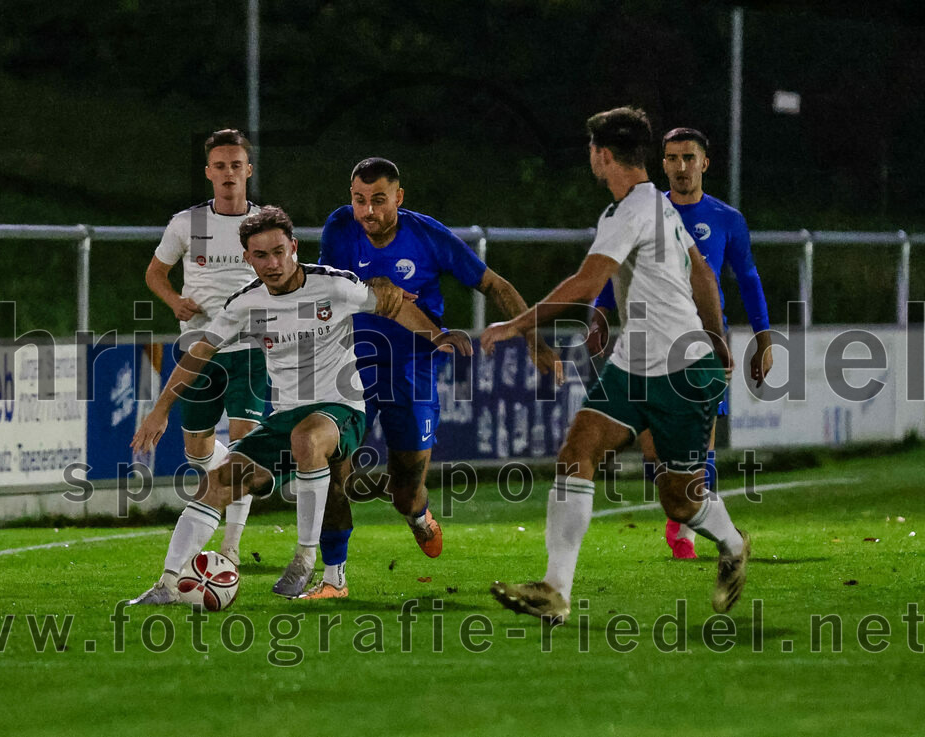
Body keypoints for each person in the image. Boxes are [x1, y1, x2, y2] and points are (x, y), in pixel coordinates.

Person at [484, 107, 750, 624]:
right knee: (576, 451)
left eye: (591, 150)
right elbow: (702, 274)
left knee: (679, 501)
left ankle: (733, 543)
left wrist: (514, 326)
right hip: (634, 365)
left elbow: (587, 285)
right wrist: (718, 335)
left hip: (679, 369)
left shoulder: (631, 211)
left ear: (601, 155)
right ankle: (555, 591)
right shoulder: (656, 205)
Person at [128, 206, 471, 604]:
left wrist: (438, 335)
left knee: (307, 439)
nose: (272, 263)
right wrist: (160, 409)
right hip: (285, 418)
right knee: (217, 483)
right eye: (261, 256)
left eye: (279, 251)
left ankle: (305, 558)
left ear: (294, 246)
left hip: (342, 408)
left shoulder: (333, 286)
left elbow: (391, 302)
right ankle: (168, 584)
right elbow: (199, 352)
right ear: (247, 259)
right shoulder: (244, 304)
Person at [307, 157, 562, 599]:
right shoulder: (339, 228)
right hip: (349, 364)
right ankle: (333, 577)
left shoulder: (427, 235)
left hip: (414, 367)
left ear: (399, 199)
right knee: (332, 467)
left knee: (404, 489)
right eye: (359, 200)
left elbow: (495, 285)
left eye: (379, 201)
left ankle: (419, 515)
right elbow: (327, 287)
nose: (367, 212)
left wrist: (532, 339)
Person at [587, 127, 773, 559]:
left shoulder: (727, 219)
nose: (681, 166)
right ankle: (686, 514)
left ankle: (686, 531)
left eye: (689, 157)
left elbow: (748, 280)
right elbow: (612, 264)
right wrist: (599, 310)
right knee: (655, 448)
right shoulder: (642, 212)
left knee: (700, 441)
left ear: (704, 163)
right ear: (662, 163)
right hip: (648, 342)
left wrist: (763, 339)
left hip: (700, 344)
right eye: (672, 158)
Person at [145, 128, 267, 566]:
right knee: (197, 450)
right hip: (197, 347)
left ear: (248, 170)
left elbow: (288, 279)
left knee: (244, 446)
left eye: (236, 165)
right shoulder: (187, 223)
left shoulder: (267, 222)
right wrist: (175, 301)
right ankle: (219, 478)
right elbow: (155, 273)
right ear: (209, 173)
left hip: (251, 347)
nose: (229, 173)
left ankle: (230, 547)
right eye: (221, 166)